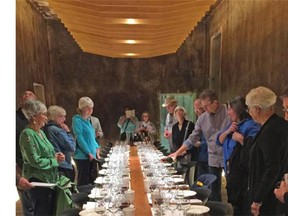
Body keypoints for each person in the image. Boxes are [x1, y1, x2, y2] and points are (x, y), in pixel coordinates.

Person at [169, 89, 231, 201]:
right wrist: (177, 152)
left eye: (206, 106)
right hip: (212, 156)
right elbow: (192, 138)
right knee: (214, 190)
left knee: (232, 189)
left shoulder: (228, 112)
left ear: (215, 102)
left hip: (228, 156)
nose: (204, 110)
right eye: (203, 107)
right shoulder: (203, 118)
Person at [245, 86, 288, 215]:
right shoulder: (275, 125)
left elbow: (272, 168)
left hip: (269, 198)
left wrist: (257, 199)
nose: (249, 112)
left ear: (257, 109)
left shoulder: (270, 132)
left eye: (249, 108)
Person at [19, 99, 65, 215]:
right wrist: (54, 161)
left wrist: (56, 156)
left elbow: (47, 153)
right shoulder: (27, 134)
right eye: (43, 114)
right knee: (42, 212)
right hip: (39, 182)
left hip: (50, 180)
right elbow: (35, 160)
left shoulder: (40, 132)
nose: (46, 118)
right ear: (34, 116)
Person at [216, 96, 260, 215]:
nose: (228, 112)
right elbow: (219, 141)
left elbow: (256, 149)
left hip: (242, 176)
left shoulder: (251, 125)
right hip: (231, 174)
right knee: (234, 206)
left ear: (238, 109)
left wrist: (241, 139)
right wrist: (227, 131)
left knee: (241, 208)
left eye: (230, 109)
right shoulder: (233, 124)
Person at [16, 90, 37, 216]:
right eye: (25, 96)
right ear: (20, 101)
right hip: (22, 167)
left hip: (38, 168)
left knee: (37, 204)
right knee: (29, 206)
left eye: (31, 97)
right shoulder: (13, 119)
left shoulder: (35, 116)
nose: (28, 96)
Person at [72, 97, 101, 186]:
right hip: (83, 156)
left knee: (92, 181)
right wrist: (88, 152)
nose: (90, 110)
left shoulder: (88, 120)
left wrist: (97, 148)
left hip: (92, 155)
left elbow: (92, 137)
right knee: (84, 182)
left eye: (91, 107)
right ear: (81, 108)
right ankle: (82, 200)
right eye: (88, 107)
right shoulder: (77, 120)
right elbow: (79, 137)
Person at [43, 105, 76, 182]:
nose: (64, 119)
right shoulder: (56, 130)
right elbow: (71, 147)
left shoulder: (46, 128)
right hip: (63, 164)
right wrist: (68, 132)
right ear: (55, 116)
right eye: (62, 116)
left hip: (54, 164)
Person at [193, 99, 209, 178]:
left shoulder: (209, 119)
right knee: (201, 181)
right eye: (195, 109)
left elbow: (213, 139)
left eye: (198, 109)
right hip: (200, 156)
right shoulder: (199, 120)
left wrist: (201, 144)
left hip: (209, 156)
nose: (196, 111)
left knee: (210, 181)